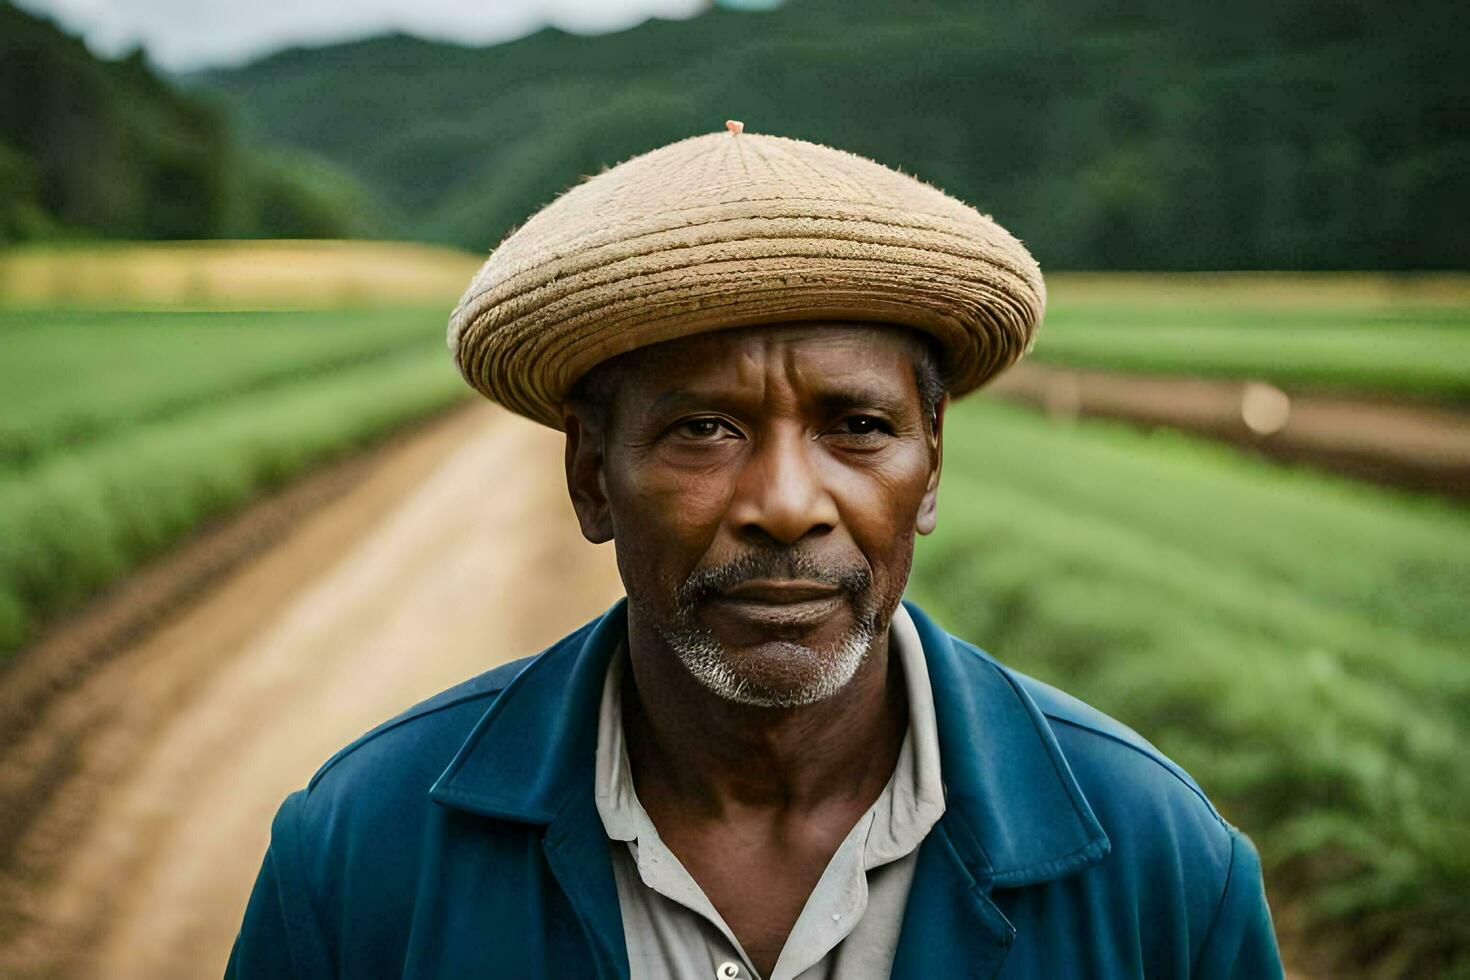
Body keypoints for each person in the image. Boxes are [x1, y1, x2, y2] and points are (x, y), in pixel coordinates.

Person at [226, 122, 1284, 979]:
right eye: (704, 428)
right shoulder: (363, 853)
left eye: (857, 427)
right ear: (593, 474)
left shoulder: (1164, 866)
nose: (786, 505)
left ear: (932, 466)